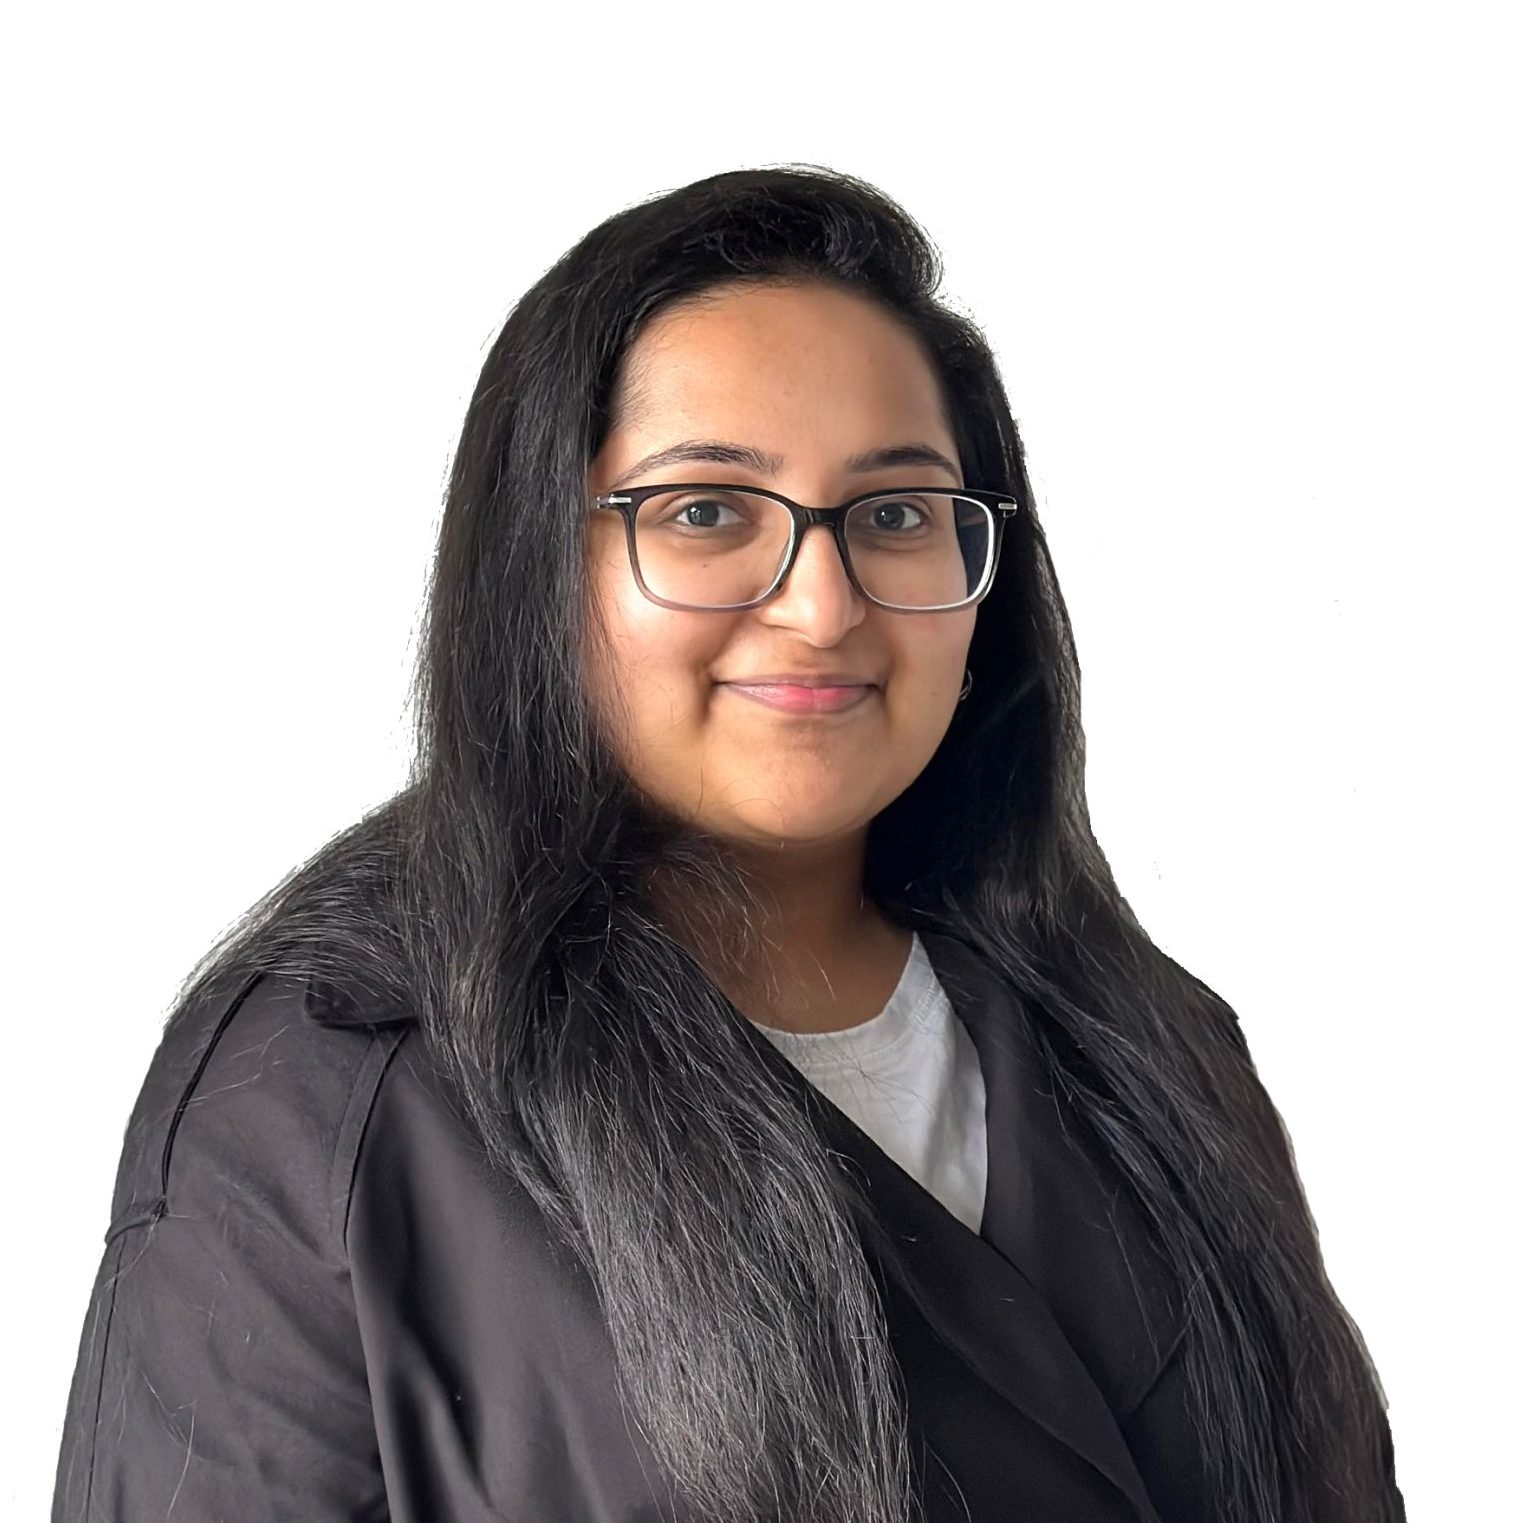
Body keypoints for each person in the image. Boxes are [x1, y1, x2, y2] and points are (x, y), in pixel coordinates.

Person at [50, 164, 1405, 1523]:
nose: (822, 607)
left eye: (896, 515)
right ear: (537, 564)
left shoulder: (1153, 1047)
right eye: (704, 511)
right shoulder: (326, 1087)